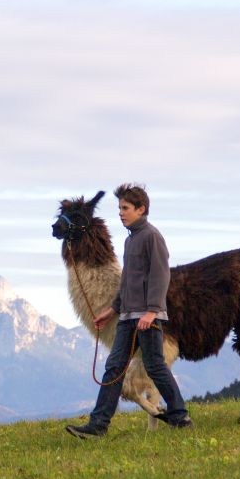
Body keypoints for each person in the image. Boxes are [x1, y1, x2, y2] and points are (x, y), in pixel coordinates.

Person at [66, 184, 192, 438]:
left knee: (155, 366)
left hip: (147, 317)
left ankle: (180, 417)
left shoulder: (151, 237)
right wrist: (112, 310)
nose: (120, 213)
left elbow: (160, 275)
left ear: (141, 209)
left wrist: (152, 311)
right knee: (114, 369)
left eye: (125, 208)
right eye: (119, 208)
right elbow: (127, 283)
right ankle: (98, 426)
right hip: (127, 316)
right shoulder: (130, 239)